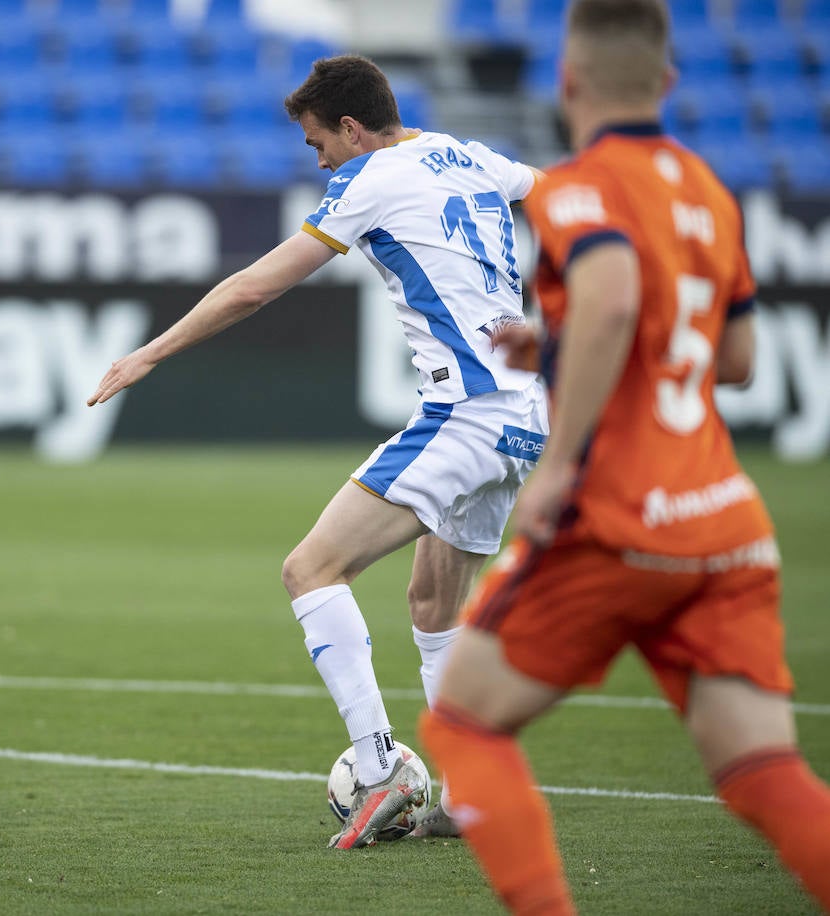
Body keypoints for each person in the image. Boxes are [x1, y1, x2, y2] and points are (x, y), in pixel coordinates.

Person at [418, 1, 830, 912]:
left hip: (618, 521)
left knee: (461, 727)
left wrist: (558, 465)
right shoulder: (710, 192)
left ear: (566, 83)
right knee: (765, 772)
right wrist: (557, 347)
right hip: (724, 525)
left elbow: (610, 300)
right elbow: (736, 359)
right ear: (669, 83)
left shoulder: (580, 186)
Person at [89, 54, 548, 848]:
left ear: (350, 127)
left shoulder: (368, 178)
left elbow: (253, 287)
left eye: (317, 144)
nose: (320, 160)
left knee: (311, 569)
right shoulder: (469, 155)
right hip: (523, 419)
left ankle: (379, 771)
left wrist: (150, 354)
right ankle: (469, 798)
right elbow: (558, 197)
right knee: (435, 604)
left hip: (465, 411)